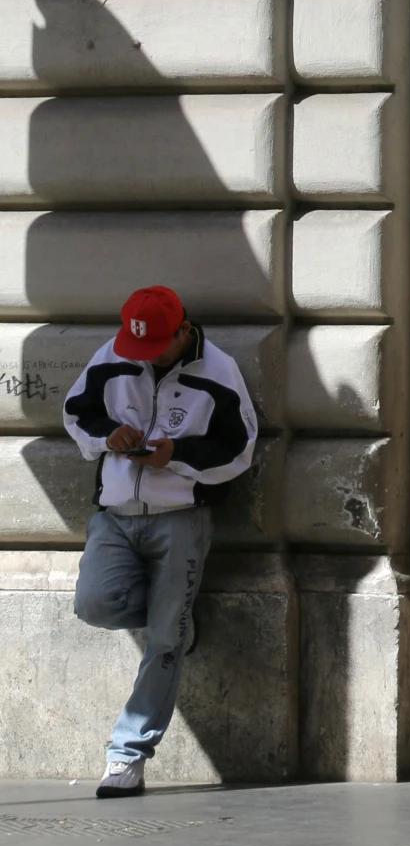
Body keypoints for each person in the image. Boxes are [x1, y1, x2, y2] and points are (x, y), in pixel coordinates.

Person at [63, 285, 258, 798]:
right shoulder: (112, 355)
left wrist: (175, 453)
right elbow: (76, 411)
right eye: (136, 346)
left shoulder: (219, 372)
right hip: (116, 514)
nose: (144, 357)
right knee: (94, 605)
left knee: (164, 642)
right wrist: (108, 436)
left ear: (183, 331)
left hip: (181, 519)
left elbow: (239, 449)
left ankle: (127, 754)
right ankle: (174, 622)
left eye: (157, 348)